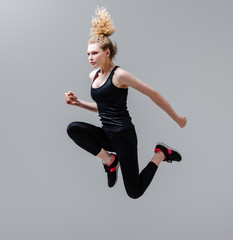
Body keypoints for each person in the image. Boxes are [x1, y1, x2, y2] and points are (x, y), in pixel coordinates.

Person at [65, 7, 187, 199]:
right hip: (108, 134)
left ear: (107, 52)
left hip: (124, 137)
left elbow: (153, 94)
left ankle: (161, 154)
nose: (90, 58)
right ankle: (110, 160)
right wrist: (78, 103)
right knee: (73, 128)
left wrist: (177, 119)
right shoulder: (93, 76)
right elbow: (103, 108)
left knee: (134, 192)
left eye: (94, 53)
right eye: (88, 54)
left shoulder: (120, 75)